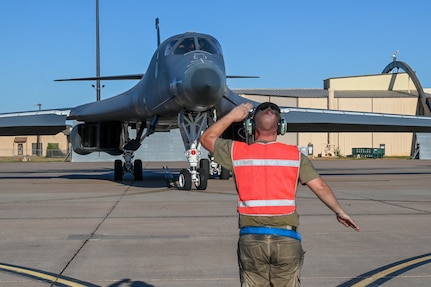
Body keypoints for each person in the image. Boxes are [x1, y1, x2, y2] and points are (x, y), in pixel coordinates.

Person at [200, 102, 360, 287]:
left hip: (251, 239)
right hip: (286, 239)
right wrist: (340, 212)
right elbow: (320, 187)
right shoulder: (295, 156)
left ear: (250, 127)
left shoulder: (237, 152)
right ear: (282, 127)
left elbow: (206, 138)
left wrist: (233, 115)